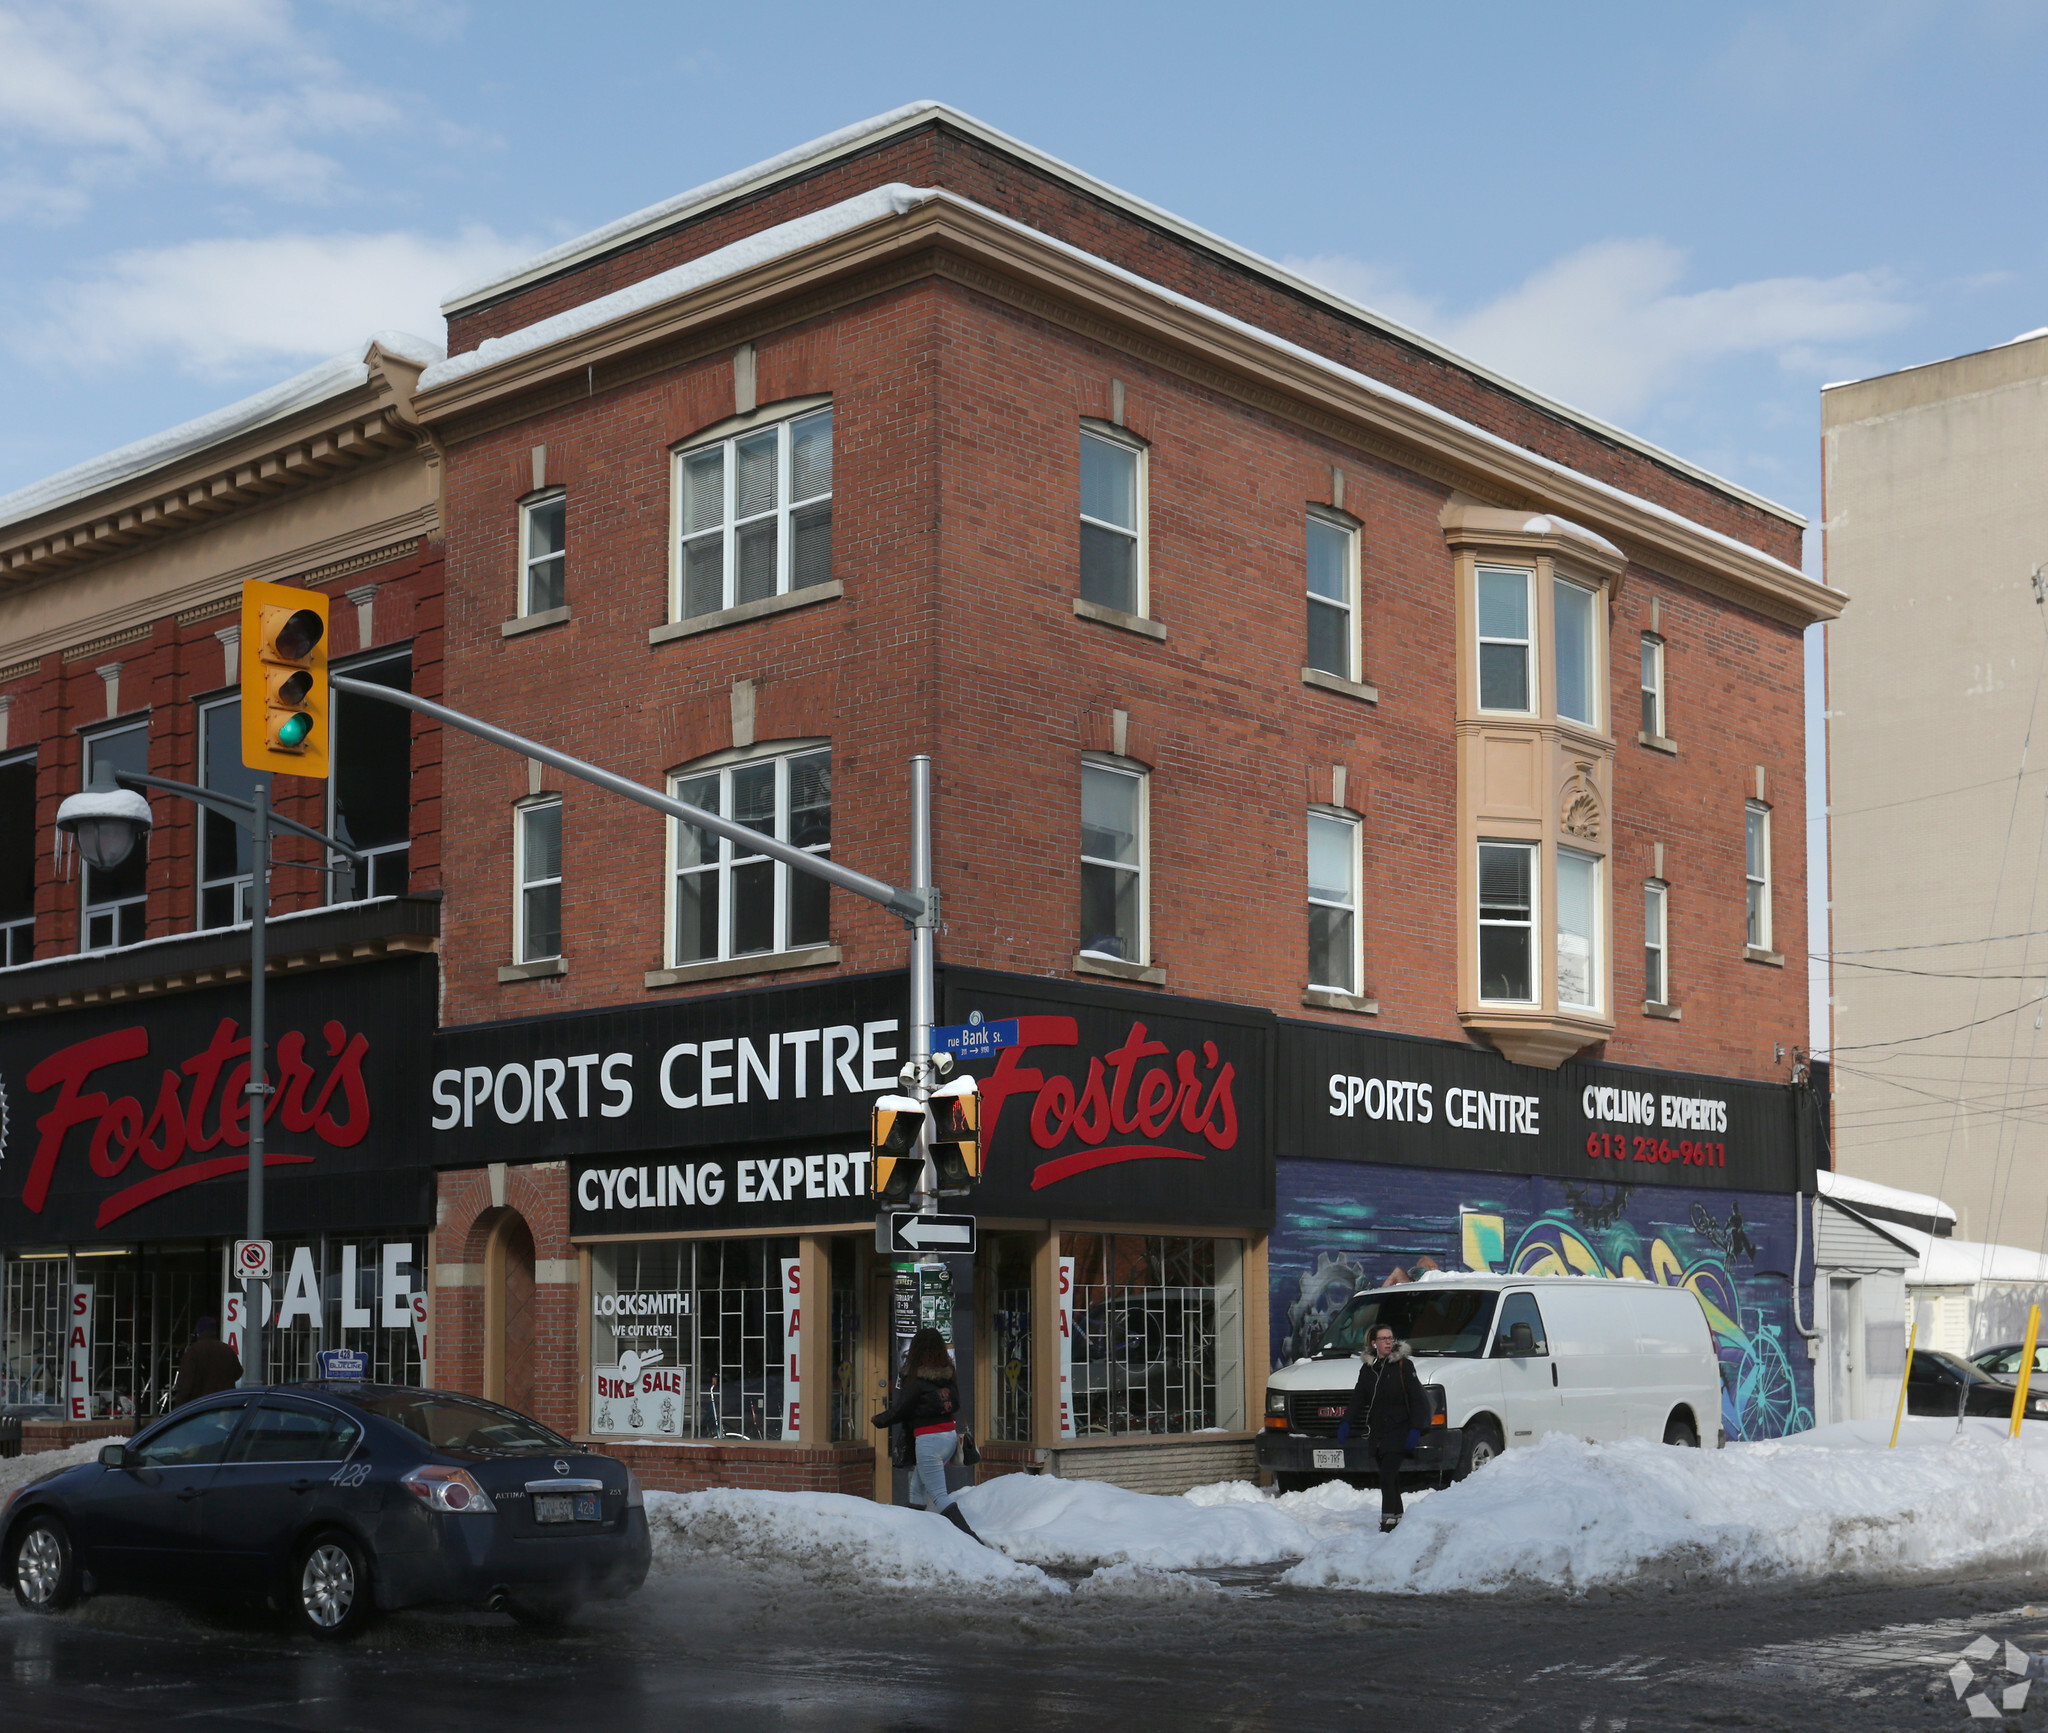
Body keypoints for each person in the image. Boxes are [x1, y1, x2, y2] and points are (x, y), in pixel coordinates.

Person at [872, 1328, 983, 1543]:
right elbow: (957, 1403)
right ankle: (915, 1537)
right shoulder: (948, 1374)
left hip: (928, 1439)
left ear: (916, 1349)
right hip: (949, 1436)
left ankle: (972, 1541)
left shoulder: (916, 1377)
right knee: (917, 1488)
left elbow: (904, 1408)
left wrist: (880, 1419)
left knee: (939, 1495)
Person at [1336, 1320, 1432, 1532]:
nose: (1388, 1342)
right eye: (1384, 1338)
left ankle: (1388, 1522)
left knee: (1387, 1475)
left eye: (1390, 1338)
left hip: (1400, 1428)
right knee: (1391, 1477)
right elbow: (1358, 1398)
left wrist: (1415, 1429)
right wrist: (1346, 1422)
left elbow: (1418, 1400)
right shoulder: (1368, 1369)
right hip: (1378, 1432)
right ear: (1373, 1343)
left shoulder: (1403, 1365)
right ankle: (1397, 1518)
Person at [169, 1316, 242, 1409]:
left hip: (200, 1408)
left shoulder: (193, 1352)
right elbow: (238, 1373)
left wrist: (179, 1409)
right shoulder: (227, 1350)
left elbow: (185, 1387)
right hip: (224, 1406)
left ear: (198, 1332)